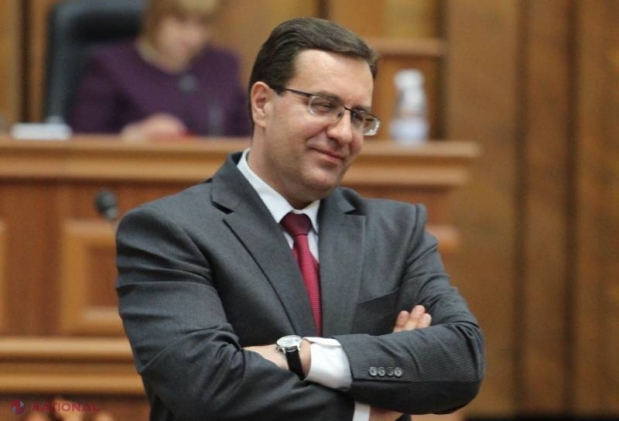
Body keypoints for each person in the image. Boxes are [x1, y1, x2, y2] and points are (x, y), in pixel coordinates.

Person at [116, 17, 485, 421]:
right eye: (323, 106)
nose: (344, 133)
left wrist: (300, 354)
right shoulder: (169, 230)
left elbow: (461, 361)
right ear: (262, 104)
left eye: (358, 116)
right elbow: (206, 383)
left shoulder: (398, 231)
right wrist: (367, 409)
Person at [69, 0, 250, 140]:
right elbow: (82, 139)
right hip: (135, 173)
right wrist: (133, 134)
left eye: (201, 24)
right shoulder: (111, 65)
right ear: (155, 19)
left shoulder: (223, 66)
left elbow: (247, 139)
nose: (191, 37)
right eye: (180, 22)